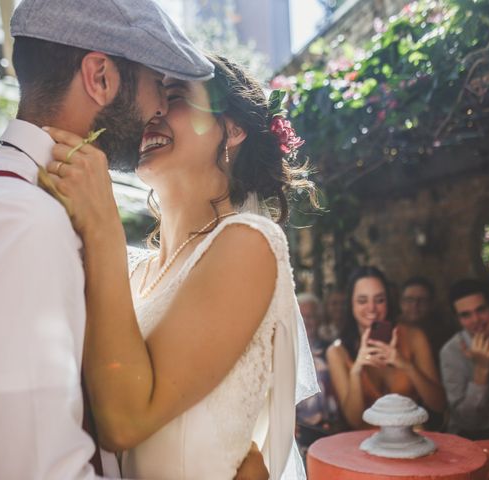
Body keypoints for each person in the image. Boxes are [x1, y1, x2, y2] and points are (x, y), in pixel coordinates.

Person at [0, 1, 226, 479]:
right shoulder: (19, 222)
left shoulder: (17, 204)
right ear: (100, 77)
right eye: (157, 85)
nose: (160, 109)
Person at [44, 54, 319, 479]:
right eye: (153, 96)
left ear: (232, 129)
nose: (152, 111)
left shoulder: (247, 243)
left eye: (174, 96)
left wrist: (102, 227)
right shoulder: (134, 273)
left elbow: (124, 422)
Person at [326, 266, 446, 430]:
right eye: (362, 300)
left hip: (412, 439)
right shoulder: (337, 352)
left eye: (379, 300)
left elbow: (439, 404)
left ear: (388, 302)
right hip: (365, 445)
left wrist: (406, 365)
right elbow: (354, 421)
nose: (372, 308)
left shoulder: (413, 336)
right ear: (351, 305)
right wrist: (356, 371)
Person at [440, 279, 489, 439]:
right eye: (466, 315)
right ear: (458, 319)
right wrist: (481, 372)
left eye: (481, 310)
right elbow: (468, 422)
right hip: (473, 436)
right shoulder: (451, 352)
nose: (476, 320)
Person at [295, 294, 341, 452]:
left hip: (331, 431)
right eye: (300, 315)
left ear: (319, 319)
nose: (306, 321)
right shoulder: (283, 353)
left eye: (311, 316)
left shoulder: (331, 350)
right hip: (299, 433)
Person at [399, 276, 455, 366]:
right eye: (409, 300)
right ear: (401, 303)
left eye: (422, 300)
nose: (415, 305)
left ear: (431, 304)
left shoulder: (444, 338)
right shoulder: (393, 331)